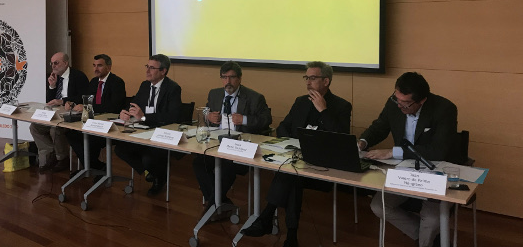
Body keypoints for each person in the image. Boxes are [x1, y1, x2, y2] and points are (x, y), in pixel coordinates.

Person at [242, 61, 352, 247]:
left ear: (326, 81)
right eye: (306, 78)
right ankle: (291, 236)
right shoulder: (301, 101)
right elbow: (283, 126)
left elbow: (341, 139)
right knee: (293, 176)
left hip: (324, 167)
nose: (308, 82)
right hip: (296, 160)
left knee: (290, 175)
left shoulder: (342, 106)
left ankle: (267, 218)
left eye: (313, 78)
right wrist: (290, 142)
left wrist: (323, 110)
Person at [358, 72, 458, 247]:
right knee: (379, 206)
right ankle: (427, 237)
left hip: (434, 171)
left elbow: (438, 151)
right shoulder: (394, 102)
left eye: (405, 103)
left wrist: (393, 152)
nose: (399, 105)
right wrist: (363, 142)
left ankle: (428, 238)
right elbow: (380, 127)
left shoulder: (444, 109)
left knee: (432, 219)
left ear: (422, 101)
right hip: (403, 171)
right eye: (396, 98)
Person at [193, 61, 272, 219]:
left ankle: (213, 206)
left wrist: (244, 119)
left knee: (226, 167)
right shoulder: (214, 94)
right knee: (199, 163)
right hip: (216, 143)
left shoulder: (254, 97)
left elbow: (266, 120)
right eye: (224, 77)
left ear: (240, 78)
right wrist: (208, 116)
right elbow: (206, 110)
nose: (227, 82)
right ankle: (220, 202)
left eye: (232, 77)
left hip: (239, 146)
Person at [115, 54, 182, 196]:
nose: (147, 71)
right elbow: (134, 103)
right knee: (120, 149)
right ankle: (149, 172)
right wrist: (125, 112)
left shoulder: (173, 88)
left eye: (152, 68)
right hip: (141, 131)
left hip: (160, 133)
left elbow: (172, 117)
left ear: (163, 71)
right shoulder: (145, 85)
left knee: (148, 158)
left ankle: (159, 178)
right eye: (147, 66)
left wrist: (144, 117)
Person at [65, 54, 126, 173]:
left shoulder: (117, 82)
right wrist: (73, 103)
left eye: (99, 66)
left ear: (109, 67)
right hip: (92, 121)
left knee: (91, 139)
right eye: (94, 65)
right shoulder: (93, 82)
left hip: (109, 124)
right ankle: (95, 166)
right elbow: (86, 100)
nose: (95, 69)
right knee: (71, 134)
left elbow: (114, 107)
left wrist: (87, 107)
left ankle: (93, 167)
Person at [29, 52, 89, 173]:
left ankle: (62, 158)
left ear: (65, 63)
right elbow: (49, 101)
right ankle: (50, 155)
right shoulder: (54, 77)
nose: (53, 66)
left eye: (56, 63)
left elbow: (84, 97)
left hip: (71, 115)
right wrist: (52, 86)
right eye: (51, 63)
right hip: (55, 113)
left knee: (55, 129)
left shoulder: (78, 76)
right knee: (35, 127)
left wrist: (63, 101)